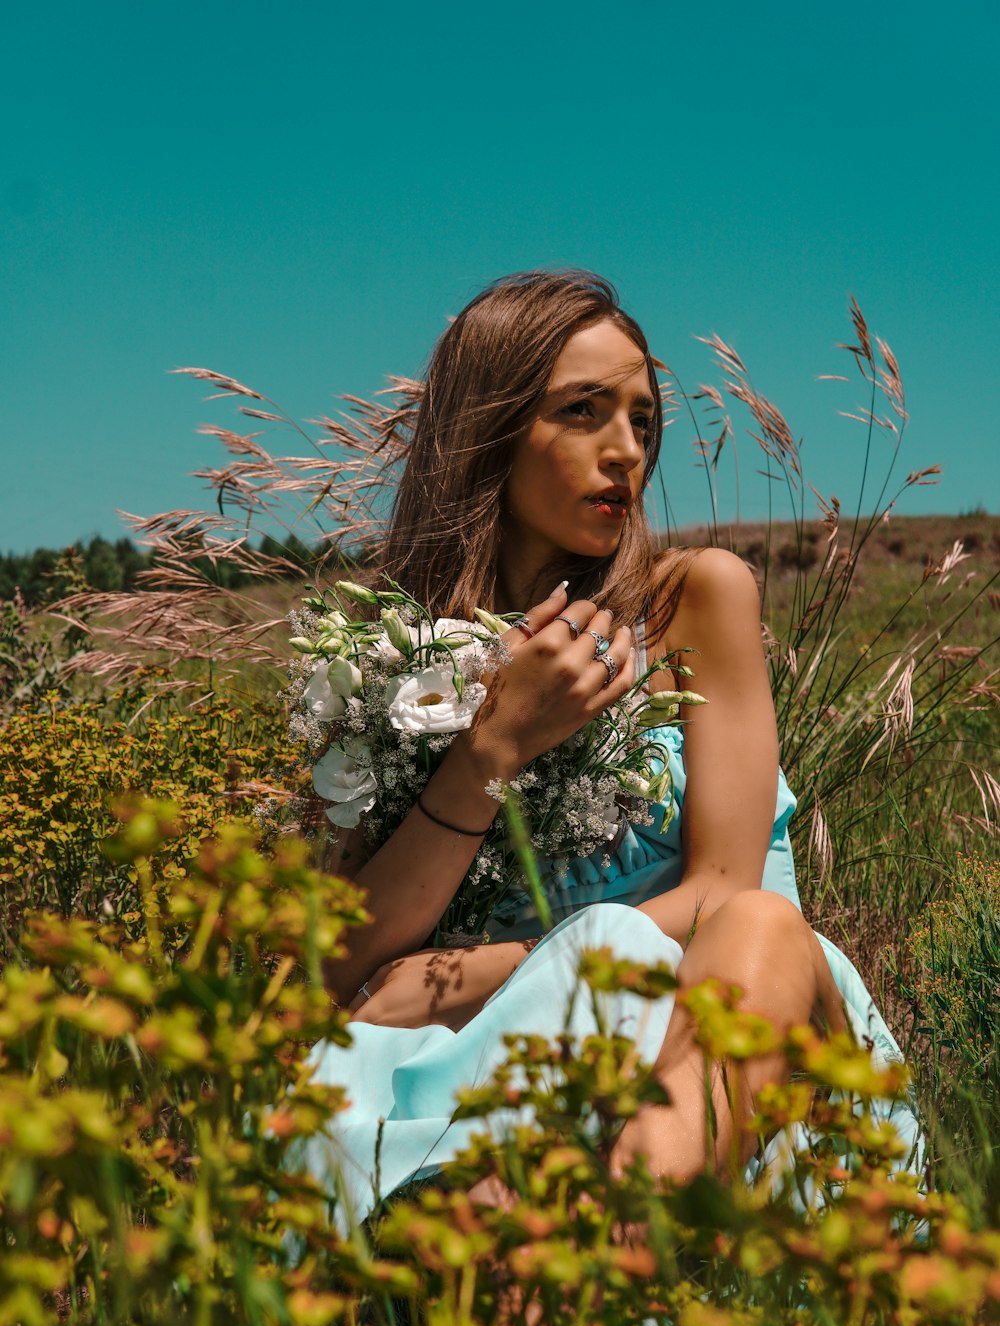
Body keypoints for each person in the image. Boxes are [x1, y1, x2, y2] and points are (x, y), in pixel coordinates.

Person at [296, 269, 919, 1230]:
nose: (626, 450)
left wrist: (475, 970)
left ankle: (584, 1244)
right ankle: (503, 1261)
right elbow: (337, 967)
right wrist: (490, 749)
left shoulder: (693, 600)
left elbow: (721, 889)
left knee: (754, 924)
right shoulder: (394, 661)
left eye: (641, 419)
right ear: (489, 430)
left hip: (727, 1029)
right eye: (583, 412)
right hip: (519, 1056)